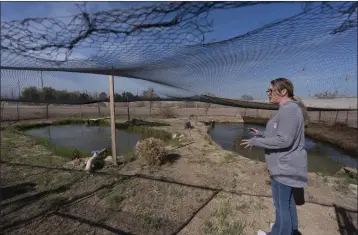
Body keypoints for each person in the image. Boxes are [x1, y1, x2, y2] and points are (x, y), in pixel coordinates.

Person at [240, 78, 308, 235]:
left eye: (270, 90)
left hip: (285, 167)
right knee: (287, 202)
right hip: (283, 166)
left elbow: (284, 140)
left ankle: (280, 232)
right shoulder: (286, 109)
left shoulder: (289, 110)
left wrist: (256, 141)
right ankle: (283, 230)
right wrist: (262, 134)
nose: (268, 94)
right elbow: (281, 134)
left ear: (283, 91)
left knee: (281, 204)